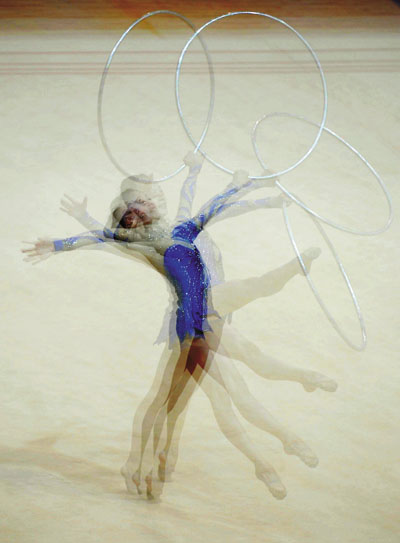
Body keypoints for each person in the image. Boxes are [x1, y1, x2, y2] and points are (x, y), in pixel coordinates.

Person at [22, 152, 337, 500]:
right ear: (131, 223)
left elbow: (217, 203)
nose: (143, 207)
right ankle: (145, 464)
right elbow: (99, 238)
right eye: (133, 210)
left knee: (209, 392)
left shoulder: (184, 228)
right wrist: (58, 244)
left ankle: (162, 463)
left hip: (209, 322)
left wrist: (254, 184)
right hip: (189, 332)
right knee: (171, 403)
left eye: (144, 202)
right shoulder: (143, 245)